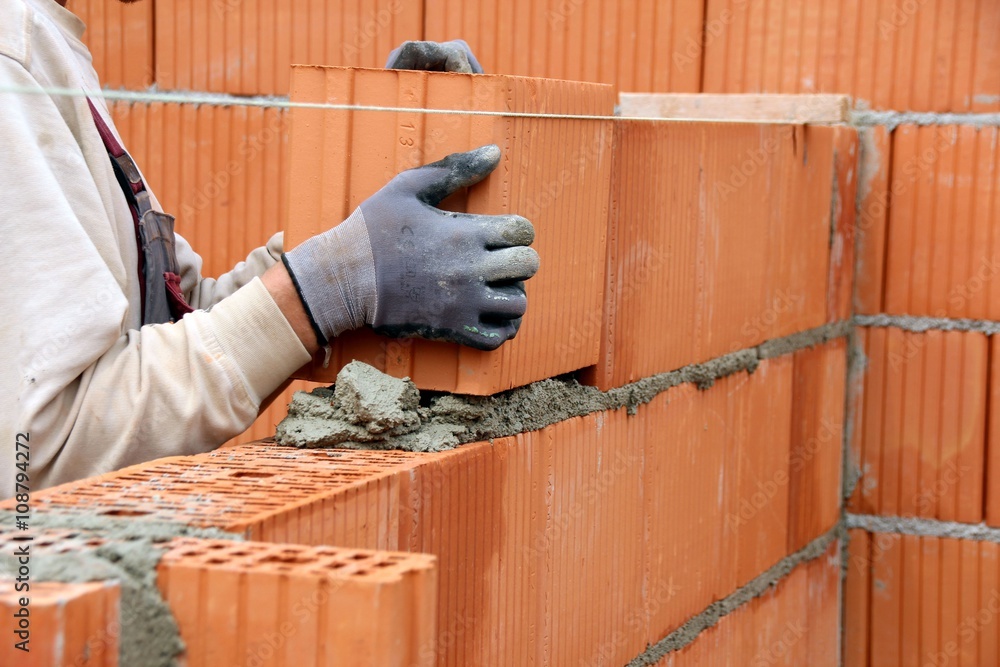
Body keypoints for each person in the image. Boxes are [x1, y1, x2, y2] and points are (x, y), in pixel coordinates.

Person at [0, 0, 539, 497]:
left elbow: (168, 323)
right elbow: (43, 451)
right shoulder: (10, 52)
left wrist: (356, 220)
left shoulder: (43, 38)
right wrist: (330, 284)